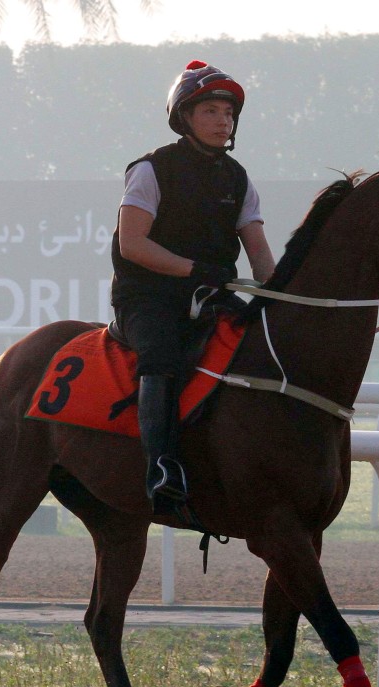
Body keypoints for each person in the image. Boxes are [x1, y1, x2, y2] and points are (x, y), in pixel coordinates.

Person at [110, 60, 277, 513]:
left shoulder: (238, 178)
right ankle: (161, 466)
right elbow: (132, 245)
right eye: (211, 111)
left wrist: (284, 296)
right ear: (184, 117)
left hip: (211, 297)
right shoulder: (151, 169)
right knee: (161, 354)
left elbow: (261, 258)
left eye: (229, 113)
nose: (224, 121)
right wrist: (194, 270)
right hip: (146, 298)